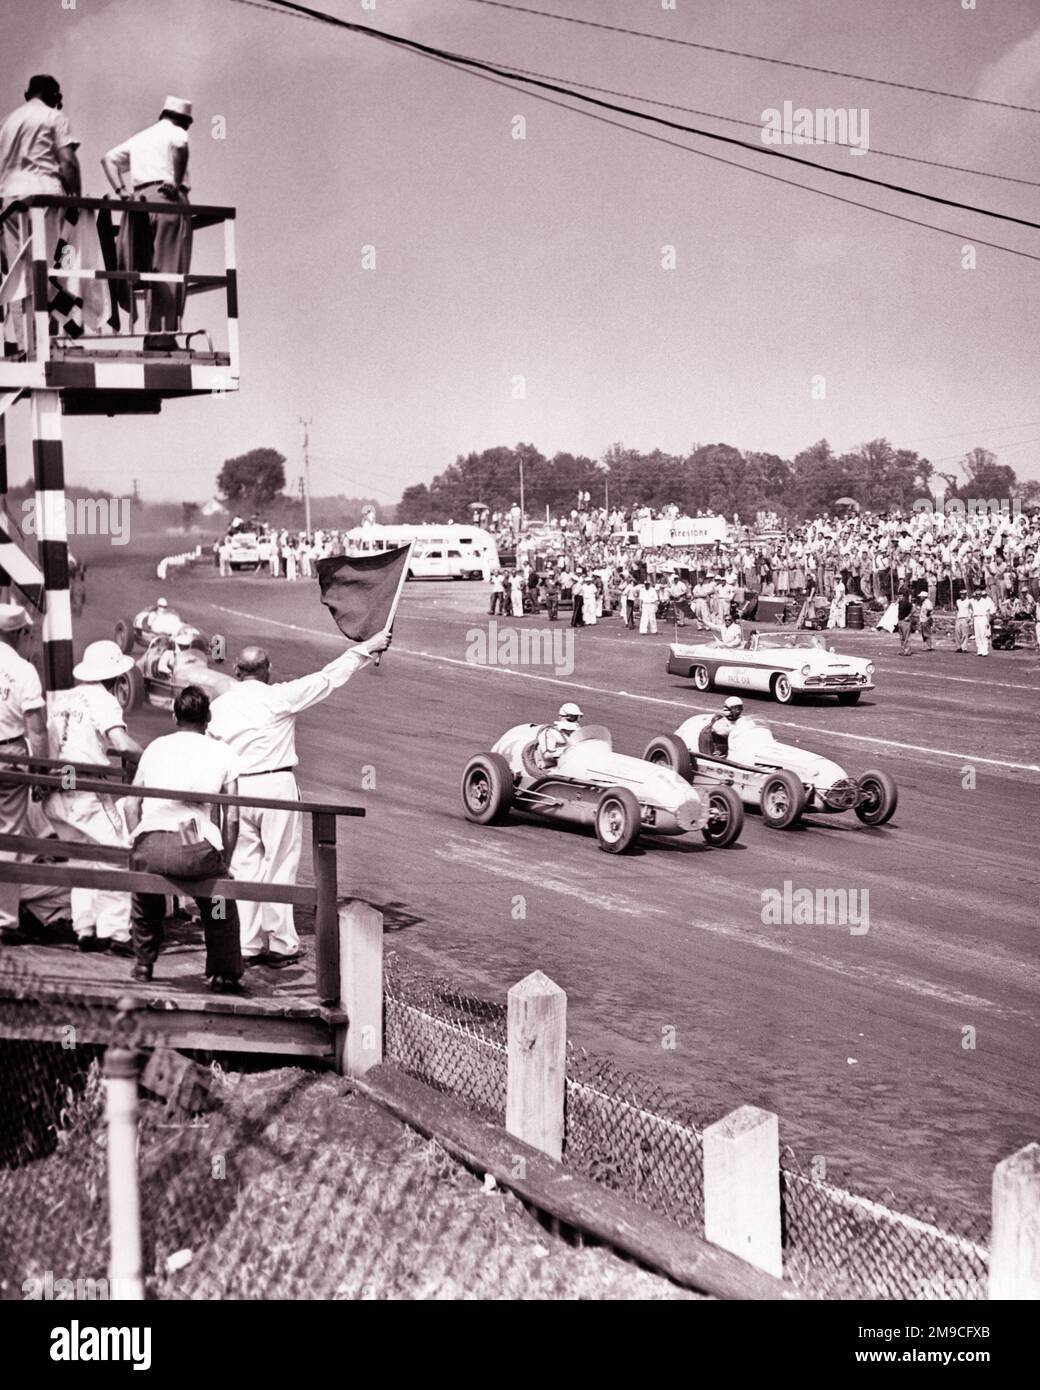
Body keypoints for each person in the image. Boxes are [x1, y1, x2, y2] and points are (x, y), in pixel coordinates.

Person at [207, 628, 391, 965]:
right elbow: (327, 679)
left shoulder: (218, 707)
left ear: (236, 671)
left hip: (234, 790)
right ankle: (280, 943)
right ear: (268, 670)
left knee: (244, 866)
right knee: (279, 864)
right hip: (275, 787)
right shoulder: (278, 696)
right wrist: (367, 648)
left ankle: (247, 944)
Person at [123, 686, 243, 992]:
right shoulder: (223, 752)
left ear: (175, 715)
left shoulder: (156, 747)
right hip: (191, 836)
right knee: (218, 900)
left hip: (151, 838)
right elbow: (231, 816)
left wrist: (137, 841)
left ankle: (143, 964)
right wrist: (224, 860)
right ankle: (223, 971)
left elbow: (130, 804)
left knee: (145, 897)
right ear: (209, 718)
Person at [44, 640, 143, 951]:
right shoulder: (103, 700)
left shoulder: (63, 698)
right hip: (86, 785)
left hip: (58, 786)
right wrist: (151, 755)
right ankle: (115, 933)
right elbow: (123, 744)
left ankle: (85, 929)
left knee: (81, 859)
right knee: (116, 855)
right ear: (114, 677)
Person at [101, 96, 194, 350]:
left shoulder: (142, 137)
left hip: (138, 202)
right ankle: (161, 337)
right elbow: (181, 144)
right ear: (184, 120)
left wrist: (121, 190)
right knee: (168, 268)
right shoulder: (176, 132)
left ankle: (154, 332)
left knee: (147, 267)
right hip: (167, 200)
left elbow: (108, 159)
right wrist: (175, 182)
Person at [0, 75, 81, 355]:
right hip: (42, 197)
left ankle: (26, 342)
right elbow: (68, 161)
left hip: (9, 200)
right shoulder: (54, 117)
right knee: (48, 267)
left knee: (17, 271)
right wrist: (77, 199)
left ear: (27, 93)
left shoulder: (7, 122)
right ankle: (46, 339)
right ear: (55, 95)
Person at [0, 603, 50, 935]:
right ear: (18, 633)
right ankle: (5, 920)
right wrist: (41, 773)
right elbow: (36, 729)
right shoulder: (23, 670)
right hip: (9, 753)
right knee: (8, 837)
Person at [535, 702, 583, 768]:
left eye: (575, 717)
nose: (574, 720)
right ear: (561, 717)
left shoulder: (579, 733)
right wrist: (568, 753)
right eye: (571, 717)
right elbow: (547, 754)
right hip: (554, 767)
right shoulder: (551, 732)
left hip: (575, 764)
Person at [972, 586, 996, 657]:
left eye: (979, 594)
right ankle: (979, 650)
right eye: (977, 595)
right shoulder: (974, 602)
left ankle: (985, 651)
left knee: (983, 635)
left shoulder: (985, 601)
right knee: (977, 635)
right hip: (976, 618)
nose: (978, 596)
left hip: (983, 618)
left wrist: (988, 622)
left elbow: (988, 612)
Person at [896, 590, 914, 656]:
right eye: (899, 596)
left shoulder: (907, 603)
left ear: (903, 596)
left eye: (901, 596)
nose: (900, 597)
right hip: (900, 621)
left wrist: (908, 616)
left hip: (905, 621)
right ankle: (903, 650)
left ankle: (907, 651)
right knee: (902, 637)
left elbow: (913, 610)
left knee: (906, 637)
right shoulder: (900, 603)